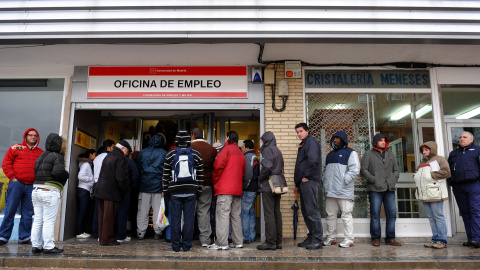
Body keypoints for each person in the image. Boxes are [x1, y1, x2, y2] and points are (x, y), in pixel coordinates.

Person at [0, 128, 43, 245]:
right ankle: (3, 236)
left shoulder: (41, 153)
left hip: (31, 186)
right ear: (26, 136)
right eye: (31, 135)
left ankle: (24, 237)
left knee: (28, 213)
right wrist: (12, 178)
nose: (33, 137)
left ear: (37, 138)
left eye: (35, 136)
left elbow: (42, 169)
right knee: (10, 210)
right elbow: (6, 164)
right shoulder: (15, 148)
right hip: (17, 184)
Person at [163, 130, 203, 252]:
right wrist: (198, 190)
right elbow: (200, 175)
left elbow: (165, 175)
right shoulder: (196, 154)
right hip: (191, 191)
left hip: (175, 192)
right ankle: (186, 246)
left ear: (177, 141)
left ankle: (175, 246)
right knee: (189, 220)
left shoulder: (170, 155)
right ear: (188, 140)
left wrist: (166, 191)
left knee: (175, 219)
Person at [361, 133, 401, 247]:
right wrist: (373, 180)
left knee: (392, 214)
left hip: (389, 188)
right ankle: (375, 238)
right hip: (374, 189)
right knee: (375, 214)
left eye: (384, 140)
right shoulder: (368, 154)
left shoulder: (391, 154)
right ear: (375, 142)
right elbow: (363, 170)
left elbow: (396, 170)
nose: (383, 142)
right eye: (380, 140)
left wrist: (392, 180)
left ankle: (390, 238)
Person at [31, 133, 69, 254]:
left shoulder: (41, 156)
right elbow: (58, 173)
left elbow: (35, 171)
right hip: (49, 191)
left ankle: (36, 245)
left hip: (36, 190)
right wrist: (66, 174)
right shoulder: (57, 156)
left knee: (38, 219)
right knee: (48, 220)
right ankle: (48, 246)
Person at [208, 131, 246, 250]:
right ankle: (238, 241)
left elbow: (217, 166)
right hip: (237, 189)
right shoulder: (240, 152)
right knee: (236, 216)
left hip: (225, 189)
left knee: (222, 215)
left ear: (228, 138)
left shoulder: (226, 150)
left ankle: (222, 243)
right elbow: (243, 171)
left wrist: (214, 181)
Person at [322, 131, 360, 248]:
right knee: (330, 215)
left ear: (343, 139)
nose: (335, 140)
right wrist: (325, 182)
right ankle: (331, 237)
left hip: (344, 191)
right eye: (334, 138)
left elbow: (355, 169)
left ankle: (349, 239)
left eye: (337, 138)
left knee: (346, 215)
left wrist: (344, 181)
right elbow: (324, 170)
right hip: (331, 191)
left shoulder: (351, 153)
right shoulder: (330, 154)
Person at [93, 140, 131, 246]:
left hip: (101, 190)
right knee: (109, 217)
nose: (127, 154)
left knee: (102, 217)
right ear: (123, 149)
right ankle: (107, 239)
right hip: (111, 192)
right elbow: (121, 178)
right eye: (127, 151)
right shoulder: (120, 158)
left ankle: (102, 238)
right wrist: (124, 191)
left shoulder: (108, 156)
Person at [415, 141, 450, 249]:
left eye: (427, 149)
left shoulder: (440, 159)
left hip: (435, 193)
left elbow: (447, 172)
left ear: (432, 149)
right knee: (431, 218)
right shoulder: (421, 163)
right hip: (424, 194)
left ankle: (442, 240)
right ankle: (435, 238)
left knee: (438, 217)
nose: (424, 152)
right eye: (423, 150)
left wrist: (431, 175)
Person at [447, 131, 480, 248]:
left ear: (471, 140)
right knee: (465, 213)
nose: (461, 139)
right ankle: (471, 239)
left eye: (464, 137)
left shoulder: (477, 150)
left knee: (475, 211)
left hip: (474, 185)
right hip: (458, 187)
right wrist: (450, 182)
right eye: (460, 137)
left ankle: (477, 238)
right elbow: (448, 169)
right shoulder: (454, 153)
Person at [294, 123, 323, 250]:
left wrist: (306, 177)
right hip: (303, 182)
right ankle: (311, 237)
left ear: (307, 131)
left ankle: (317, 240)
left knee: (312, 211)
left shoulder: (311, 142)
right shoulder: (305, 143)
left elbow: (313, 161)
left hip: (309, 181)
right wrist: (297, 183)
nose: (299, 134)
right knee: (306, 212)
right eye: (297, 132)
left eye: (301, 131)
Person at [136, 133, 167, 240]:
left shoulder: (142, 153)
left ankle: (141, 233)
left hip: (144, 186)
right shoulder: (164, 153)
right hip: (158, 187)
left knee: (142, 211)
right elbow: (166, 172)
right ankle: (157, 233)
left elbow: (138, 169)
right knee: (158, 211)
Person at [257, 132, 284, 250]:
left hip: (268, 185)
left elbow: (267, 167)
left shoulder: (268, 150)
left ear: (266, 140)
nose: (261, 142)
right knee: (276, 213)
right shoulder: (277, 150)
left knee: (269, 214)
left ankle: (270, 242)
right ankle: (278, 242)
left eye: (262, 140)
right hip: (277, 185)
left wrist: (260, 178)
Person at [191, 127, 217, 247]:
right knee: (204, 212)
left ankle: (187, 237)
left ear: (192, 136)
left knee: (189, 211)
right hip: (207, 183)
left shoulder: (189, 148)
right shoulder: (211, 149)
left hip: (191, 184)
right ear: (203, 135)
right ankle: (205, 240)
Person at [92, 139, 115, 239]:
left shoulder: (97, 158)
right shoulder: (109, 157)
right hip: (105, 184)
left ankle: (96, 232)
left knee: (97, 209)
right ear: (108, 147)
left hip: (96, 184)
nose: (114, 150)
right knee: (106, 210)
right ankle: (103, 233)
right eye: (113, 147)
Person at [116, 149, 139, 243]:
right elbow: (135, 176)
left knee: (114, 212)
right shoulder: (129, 162)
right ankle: (122, 235)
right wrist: (133, 189)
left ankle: (113, 233)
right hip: (126, 190)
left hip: (114, 190)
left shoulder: (114, 159)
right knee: (123, 212)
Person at [241, 139, 259, 245]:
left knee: (245, 213)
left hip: (248, 189)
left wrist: (244, 186)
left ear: (247, 148)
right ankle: (252, 236)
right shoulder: (254, 157)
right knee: (251, 212)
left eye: (243, 147)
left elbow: (248, 175)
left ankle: (246, 237)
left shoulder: (247, 157)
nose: (242, 149)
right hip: (254, 189)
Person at [76, 149, 96, 239]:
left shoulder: (85, 164)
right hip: (84, 189)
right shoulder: (86, 164)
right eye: (94, 154)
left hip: (83, 190)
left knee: (83, 211)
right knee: (83, 211)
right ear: (90, 154)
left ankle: (81, 231)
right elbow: (80, 176)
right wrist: (91, 179)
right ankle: (79, 232)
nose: (95, 156)